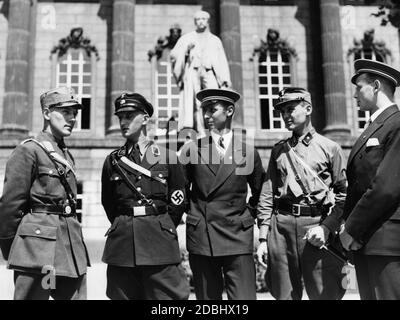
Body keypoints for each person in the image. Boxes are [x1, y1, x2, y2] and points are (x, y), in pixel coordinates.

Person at [256, 87, 347, 300]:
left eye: (290, 109)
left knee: (326, 292)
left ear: (307, 108)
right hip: (282, 228)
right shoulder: (279, 150)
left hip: (316, 226)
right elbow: (267, 195)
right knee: (284, 293)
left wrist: (327, 227)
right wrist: (263, 237)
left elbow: (344, 194)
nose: (285, 115)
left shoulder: (330, 148)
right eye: (282, 111)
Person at [0, 87, 90, 300]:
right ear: (47, 113)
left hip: (70, 245)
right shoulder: (29, 150)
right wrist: (16, 246)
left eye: (74, 113)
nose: (72, 118)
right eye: (65, 112)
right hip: (38, 248)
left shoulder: (65, 154)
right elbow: (11, 205)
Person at [101, 92, 190, 300]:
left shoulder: (167, 157)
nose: (123, 122)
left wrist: (162, 225)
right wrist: (125, 224)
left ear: (145, 118)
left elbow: (178, 200)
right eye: (120, 117)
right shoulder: (112, 161)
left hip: (159, 242)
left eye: (129, 116)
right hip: (122, 245)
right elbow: (109, 203)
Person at [179, 88, 265, 300]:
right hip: (202, 237)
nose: (206, 116)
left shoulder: (247, 152)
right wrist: (192, 216)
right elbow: (179, 190)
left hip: (237, 235)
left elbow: (261, 192)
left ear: (229, 111)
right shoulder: (191, 150)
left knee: (243, 299)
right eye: (204, 110)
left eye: (212, 109)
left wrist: (246, 216)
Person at [340, 59, 400, 300]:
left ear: (376, 86)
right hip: (368, 241)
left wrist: (351, 229)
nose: (354, 94)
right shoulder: (375, 126)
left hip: (386, 243)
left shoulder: (395, 124)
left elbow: (385, 187)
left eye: (359, 87)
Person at [170, 10, 231, 135]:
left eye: (203, 19)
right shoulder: (187, 38)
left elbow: (222, 60)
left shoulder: (215, 40)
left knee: (214, 100)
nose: (200, 21)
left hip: (209, 72)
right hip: (193, 71)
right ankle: (200, 130)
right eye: (198, 19)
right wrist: (186, 50)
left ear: (207, 21)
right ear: (195, 22)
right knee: (196, 102)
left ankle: (214, 128)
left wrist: (225, 79)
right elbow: (173, 55)